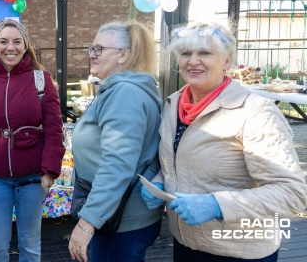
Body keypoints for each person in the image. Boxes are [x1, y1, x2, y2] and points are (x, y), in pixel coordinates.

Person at [142, 21, 307, 261]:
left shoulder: (255, 112)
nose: (193, 61)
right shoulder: (173, 104)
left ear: (227, 60)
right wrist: (160, 183)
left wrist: (217, 204)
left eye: (205, 53)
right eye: (186, 53)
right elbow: (176, 161)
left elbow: (292, 194)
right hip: (186, 243)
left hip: (236, 251)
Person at [0, 18, 65, 262]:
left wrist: (50, 169)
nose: (10, 48)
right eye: (4, 42)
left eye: (17, 42)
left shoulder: (41, 79)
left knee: (29, 244)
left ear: (26, 45)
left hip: (32, 176)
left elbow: (54, 129)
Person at [68, 21, 164, 262]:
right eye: (91, 48)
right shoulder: (121, 89)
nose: (92, 55)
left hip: (120, 220)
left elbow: (117, 164)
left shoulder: (124, 94)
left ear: (123, 55)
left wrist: (87, 223)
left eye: (99, 49)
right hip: (117, 215)